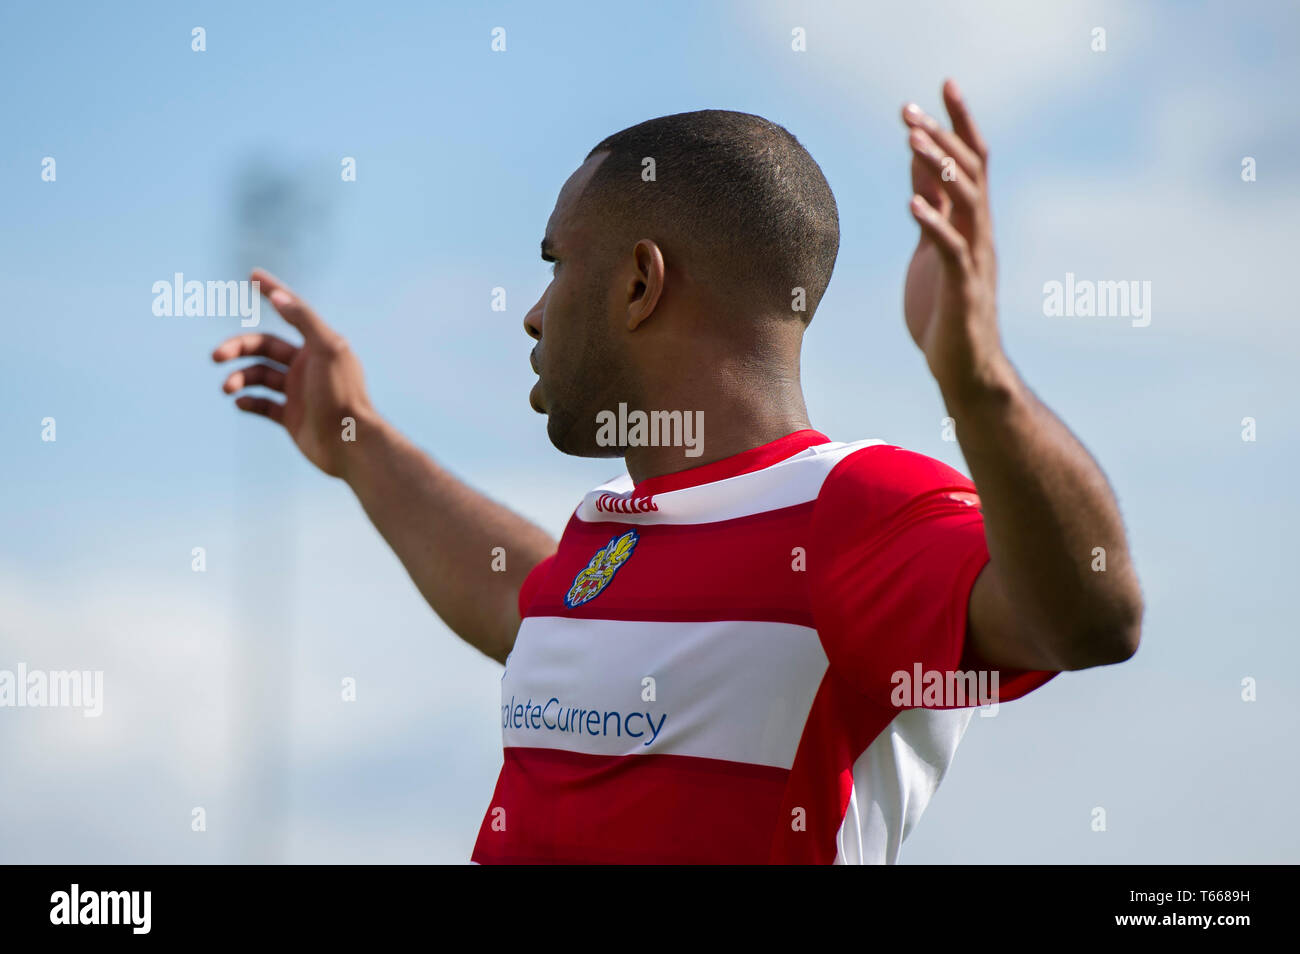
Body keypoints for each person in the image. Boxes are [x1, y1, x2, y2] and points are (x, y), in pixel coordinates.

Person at [211, 79, 1143, 864]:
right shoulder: (609, 541)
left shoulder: (852, 507)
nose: (533, 315)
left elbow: (1092, 619)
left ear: (638, 284)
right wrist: (356, 440)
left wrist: (979, 385)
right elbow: (519, 601)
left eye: (555, 264)